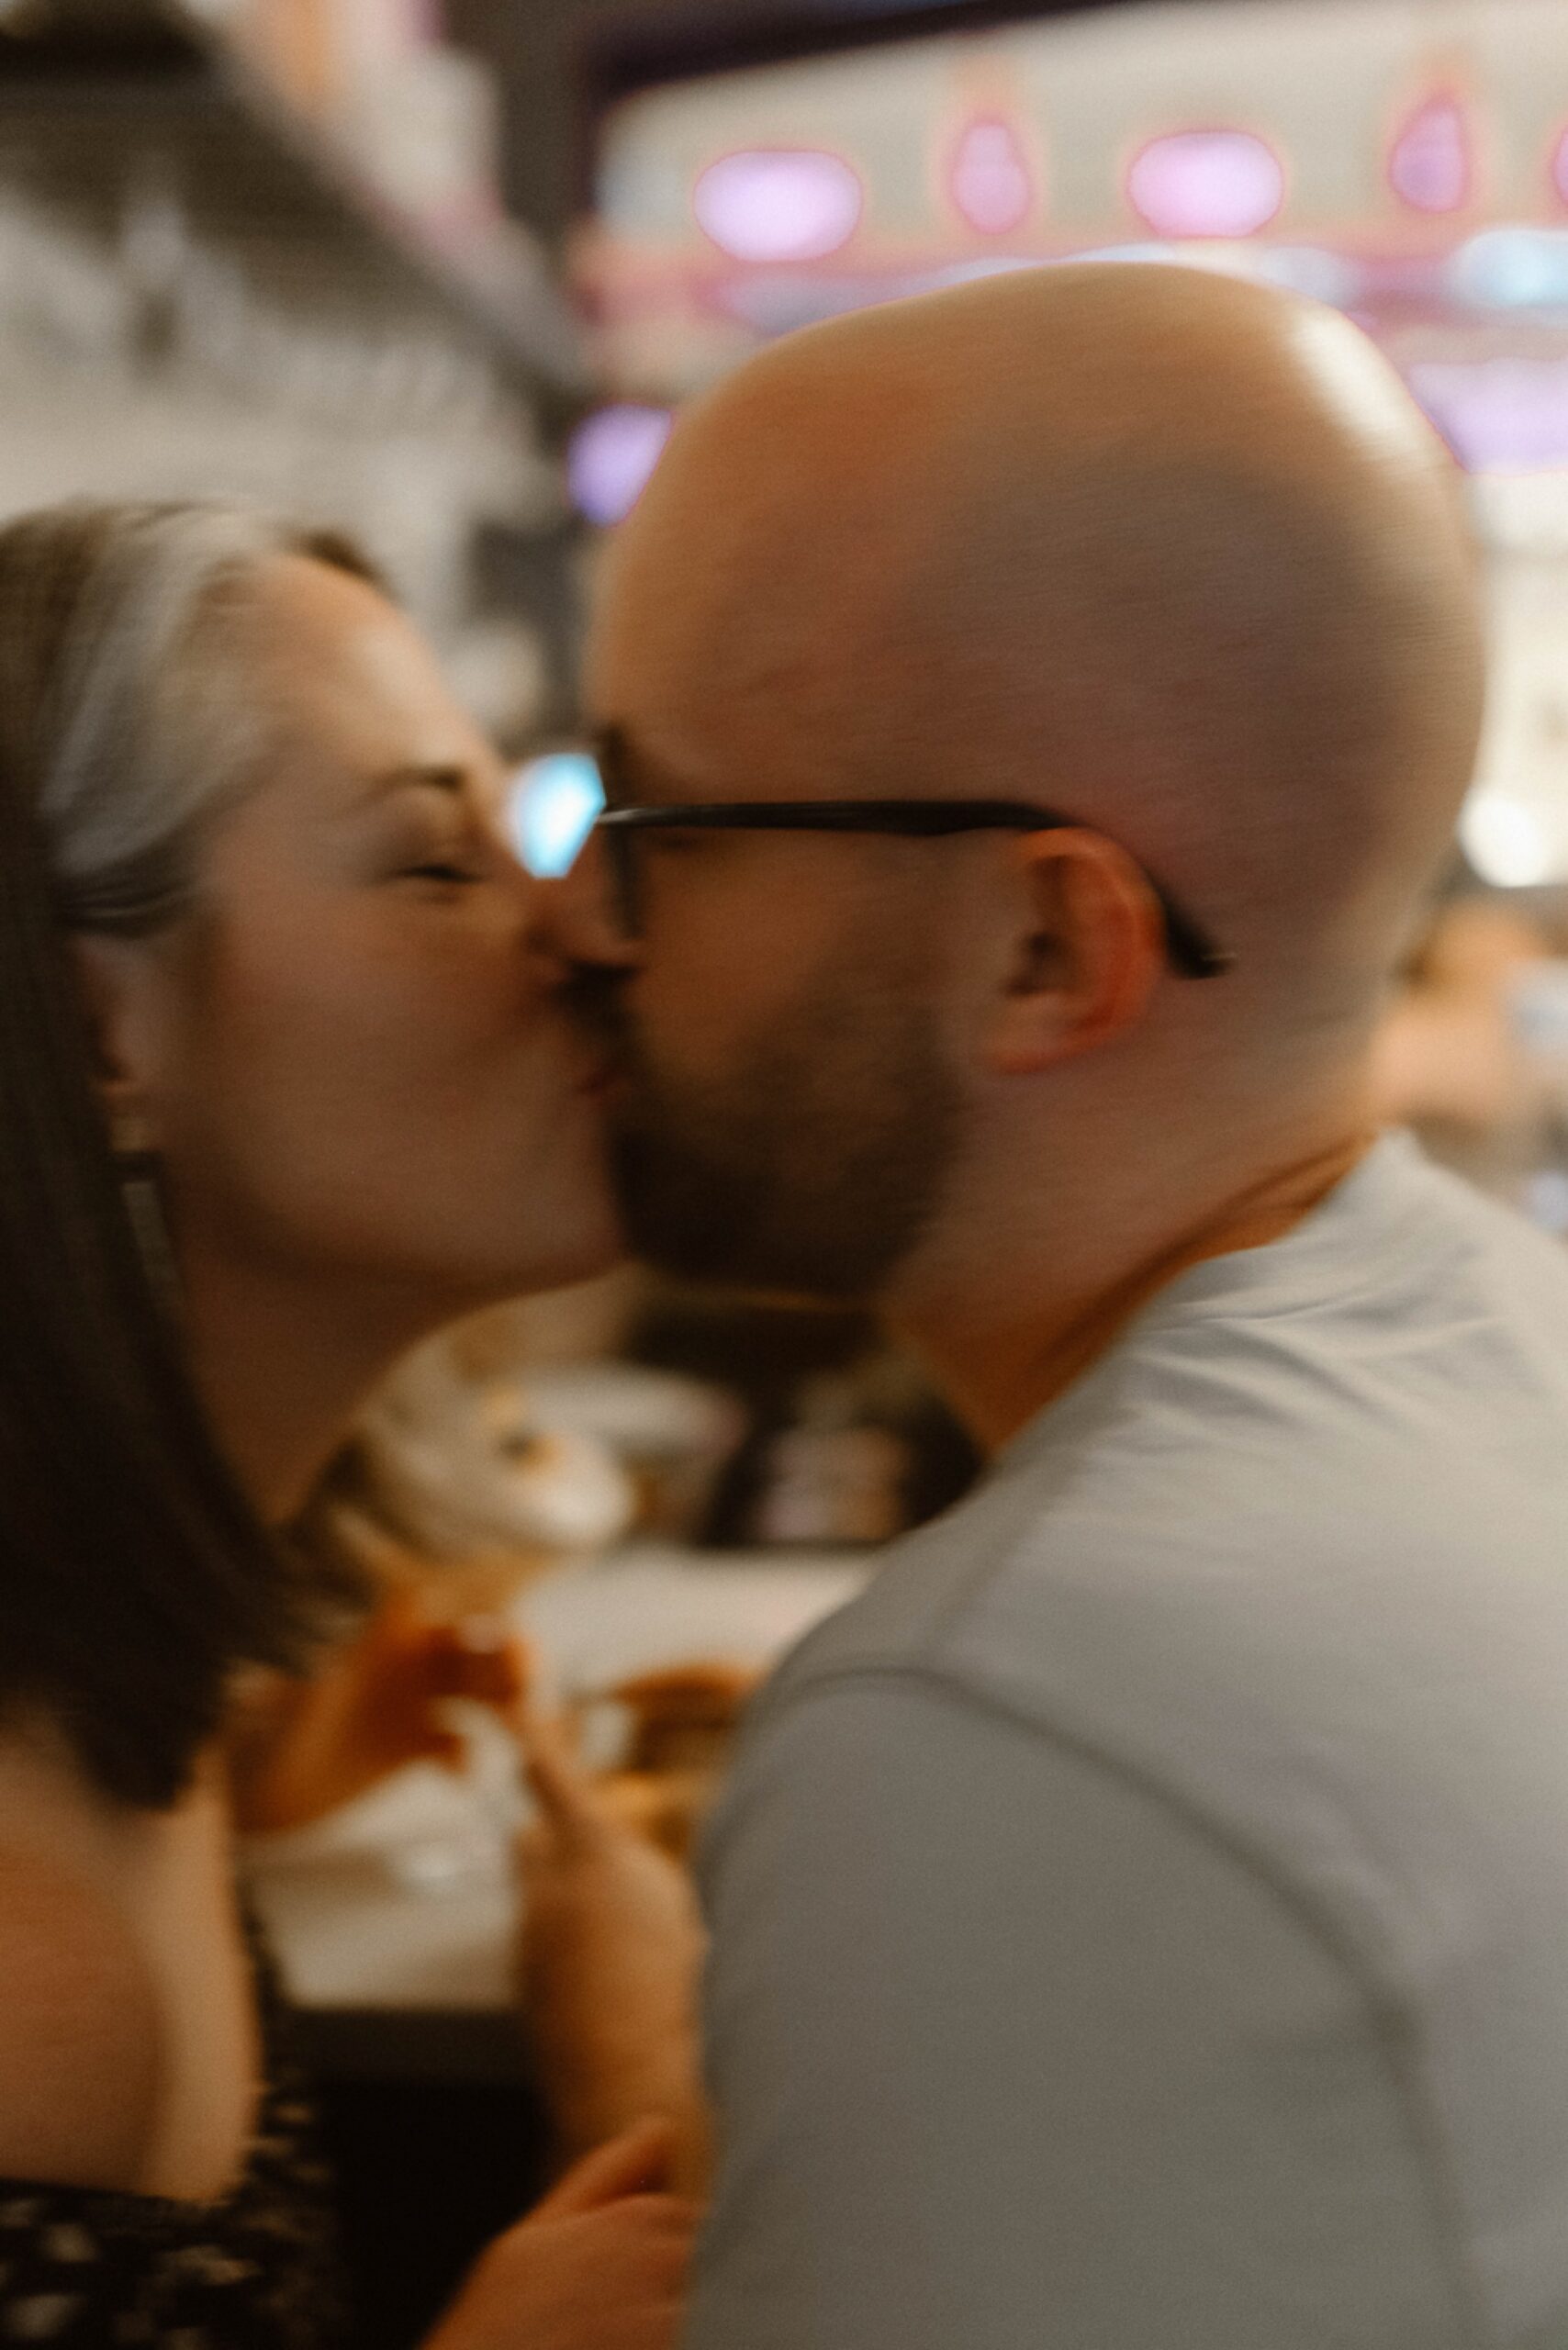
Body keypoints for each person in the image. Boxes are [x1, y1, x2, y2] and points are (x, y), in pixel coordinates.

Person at [524, 263, 1568, 2346]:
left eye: (655, 828)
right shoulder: (1499, 1344)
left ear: (1037, 946)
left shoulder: (1008, 1723)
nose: (568, 920)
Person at [0, 500, 694, 2349]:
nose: (577, 922)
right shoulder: (30, 1980)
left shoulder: (123, 1723)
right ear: (94, 1034)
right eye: (431, 860)